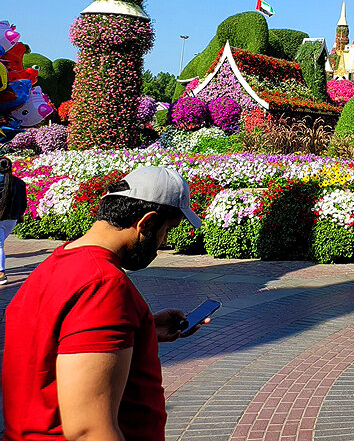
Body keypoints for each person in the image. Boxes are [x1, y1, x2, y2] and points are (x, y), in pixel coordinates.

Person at [2, 165, 209, 441]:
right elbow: (89, 431)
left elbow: (58, 341)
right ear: (146, 223)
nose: (163, 243)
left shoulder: (57, 263)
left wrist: (140, 331)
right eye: (166, 230)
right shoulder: (103, 285)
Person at [0, 156, 28, 285]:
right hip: (12, 218)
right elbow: (24, 202)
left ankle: (1, 274)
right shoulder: (19, 182)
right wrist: (20, 214)